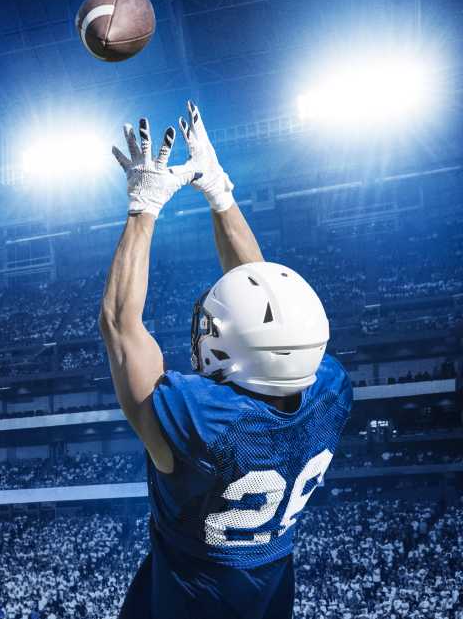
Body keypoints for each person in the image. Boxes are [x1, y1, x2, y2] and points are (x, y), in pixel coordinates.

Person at [98, 101, 353, 619]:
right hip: (269, 589)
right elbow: (269, 308)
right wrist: (221, 193)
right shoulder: (328, 391)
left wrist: (143, 208)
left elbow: (120, 327)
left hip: (189, 598)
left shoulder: (204, 422)